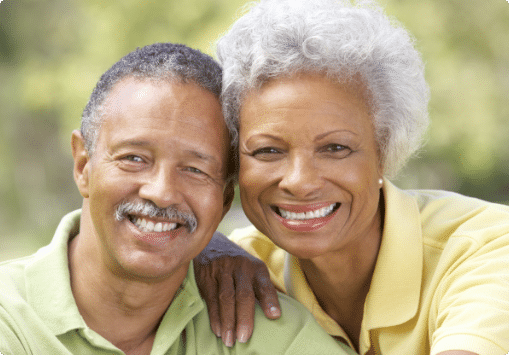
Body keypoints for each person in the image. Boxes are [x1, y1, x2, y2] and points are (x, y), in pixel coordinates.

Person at [193, 0, 509, 354]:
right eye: (268, 150)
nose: (300, 181)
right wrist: (201, 250)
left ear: (384, 153)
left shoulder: (488, 247)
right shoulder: (239, 271)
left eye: (335, 148)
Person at [0, 42, 354, 354]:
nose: (162, 192)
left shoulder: (262, 326)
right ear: (83, 165)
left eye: (195, 170)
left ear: (224, 200)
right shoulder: (10, 320)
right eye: (133, 158)